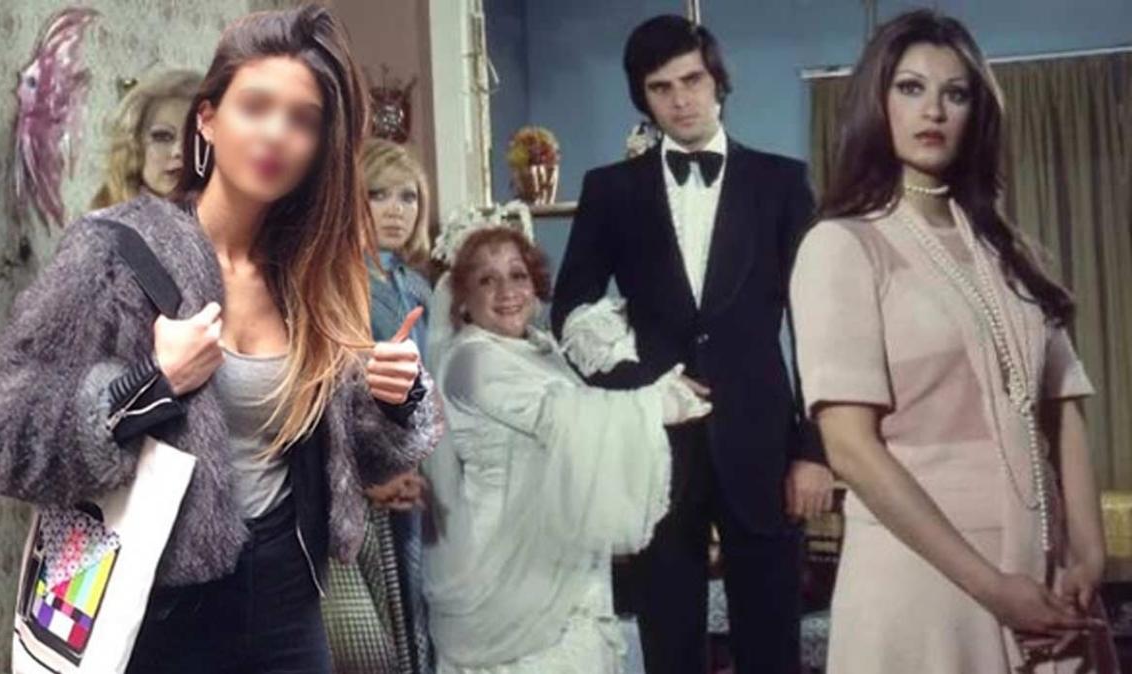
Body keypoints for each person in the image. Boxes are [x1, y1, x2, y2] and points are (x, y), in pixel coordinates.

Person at [0, 6, 437, 673]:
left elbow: (355, 459)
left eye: (302, 119)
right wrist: (147, 385)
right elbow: (3, 442)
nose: (275, 133)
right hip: (151, 606)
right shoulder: (113, 253)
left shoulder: (313, 274)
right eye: (256, 106)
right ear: (210, 120)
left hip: (288, 600)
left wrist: (394, 401)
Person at [789, 10, 1116, 673]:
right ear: (877, 102)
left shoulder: (1011, 250)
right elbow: (850, 449)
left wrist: (1088, 555)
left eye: (955, 93)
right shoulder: (842, 246)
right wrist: (993, 589)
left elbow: (1063, 410)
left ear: (977, 111)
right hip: (922, 575)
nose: (933, 110)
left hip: (1048, 569)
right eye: (910, 88)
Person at [550, 15, 831, 674]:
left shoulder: (782, 183)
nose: (680, 100)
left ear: (718, 82)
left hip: (763, 444)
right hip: (653, 448)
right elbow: (570, 313)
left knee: (772, 641)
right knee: (668, 638)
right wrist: (644, 387)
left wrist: (814, 450)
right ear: (643, 98)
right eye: (661, 87)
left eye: (692, 80)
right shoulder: (610, 190)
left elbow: (819, 326)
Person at [424, 226, 711, 673]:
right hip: (506, 558)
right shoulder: (471, 360)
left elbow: (588, 410)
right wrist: (658, 402)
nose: (507, 291)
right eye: (486, 280)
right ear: (462, 299)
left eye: (518, 275)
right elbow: (557, 415)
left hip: (562, 545)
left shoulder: (542, 349)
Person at [323, 137, 435, 674]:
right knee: (369, 642)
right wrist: (369, 474)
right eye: (379, 194)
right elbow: (329, 393)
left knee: (414, 615)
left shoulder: (418, 287)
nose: (396, 210)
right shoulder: (335, 280)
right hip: (353, 477)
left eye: (408, 196)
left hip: (414, 472)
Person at [91, 68, 202, 208]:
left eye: (194, 137)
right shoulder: (104, 220)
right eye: (162, 137)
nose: (179, 151)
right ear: (134, 144)